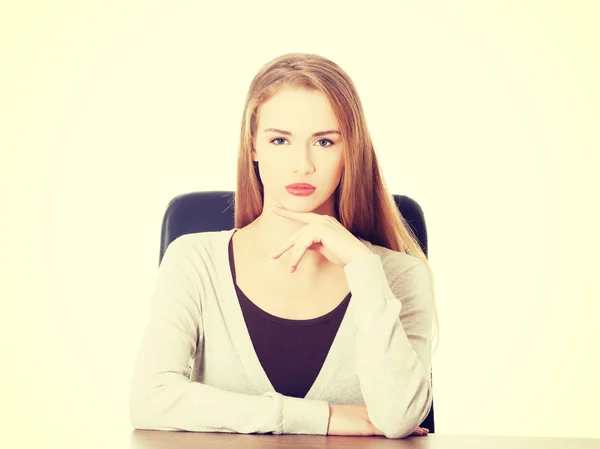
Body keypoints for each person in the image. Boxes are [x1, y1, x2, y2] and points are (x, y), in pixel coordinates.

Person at [129, 52, 439, 439]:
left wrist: (364, 268)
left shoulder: (398, 276)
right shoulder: (194, 261)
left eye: (324, 141)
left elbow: (397, 419)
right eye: (280, 140)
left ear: (350, 151)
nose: (302, 165)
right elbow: (150, 399)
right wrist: (322, 418)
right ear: (253, 147)